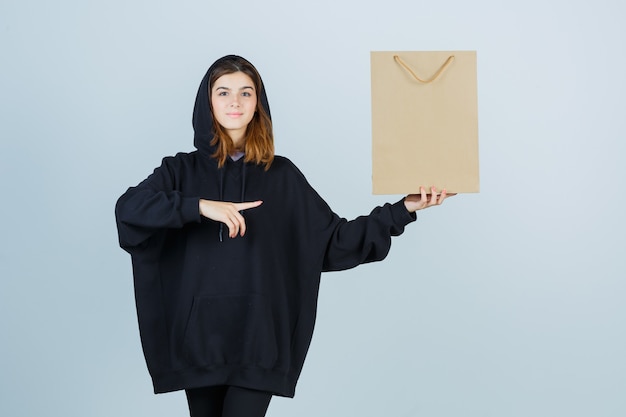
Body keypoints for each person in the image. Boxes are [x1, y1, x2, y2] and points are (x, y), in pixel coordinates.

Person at [115, 54, 452, 417]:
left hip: (260, 341)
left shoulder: (283, 176)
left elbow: (334, 241)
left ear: (258, 103)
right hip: (200, 343)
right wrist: (200, 207)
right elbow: (129, 210)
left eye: (246, 93)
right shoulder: (179, 171)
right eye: (223, 92)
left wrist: (404, 208)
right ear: (207, 102)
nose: (234, 102)